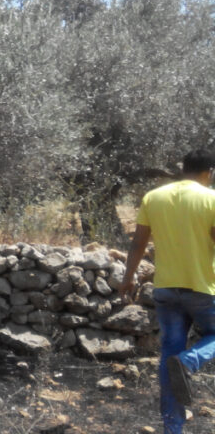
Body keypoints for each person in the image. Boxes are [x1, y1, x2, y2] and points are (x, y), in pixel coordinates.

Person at [120, 149, 215, 434]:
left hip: (165, 289)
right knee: (184, 357)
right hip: (202, 287)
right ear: (209, 172)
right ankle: (190, 361)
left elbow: (138, 243)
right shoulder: (211, 199)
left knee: (169, 354)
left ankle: (172, 429)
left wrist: (128, 278)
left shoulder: (154, 197)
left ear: (183, 169)